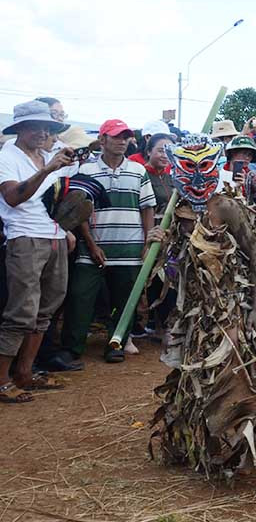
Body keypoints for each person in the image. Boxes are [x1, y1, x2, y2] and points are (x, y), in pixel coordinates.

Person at [57, 119, 155, 364]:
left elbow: (147, 208)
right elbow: (79, 211)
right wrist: (91, 244)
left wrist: (146, 242)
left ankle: (116, 342)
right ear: (102, 140)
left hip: (129, 247)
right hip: (92, 248)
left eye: (126, 137)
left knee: (125, 299)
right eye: (116, 137)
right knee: (80, 297)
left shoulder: (138, 170)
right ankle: (72, 347)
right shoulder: (86, 170)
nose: (123, 141)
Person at [0, 101, 77, 403]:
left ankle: (24, 372)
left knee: (46, 310)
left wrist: (57, 155)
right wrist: (47, 169)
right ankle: (3, 380)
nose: (43, 131)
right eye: (36, 126)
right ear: (19, 128)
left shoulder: (46, 154)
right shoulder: (7, 156)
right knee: (21, 312)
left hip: (54, 236)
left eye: (48, 126)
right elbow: (13, 198)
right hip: (25, 238)